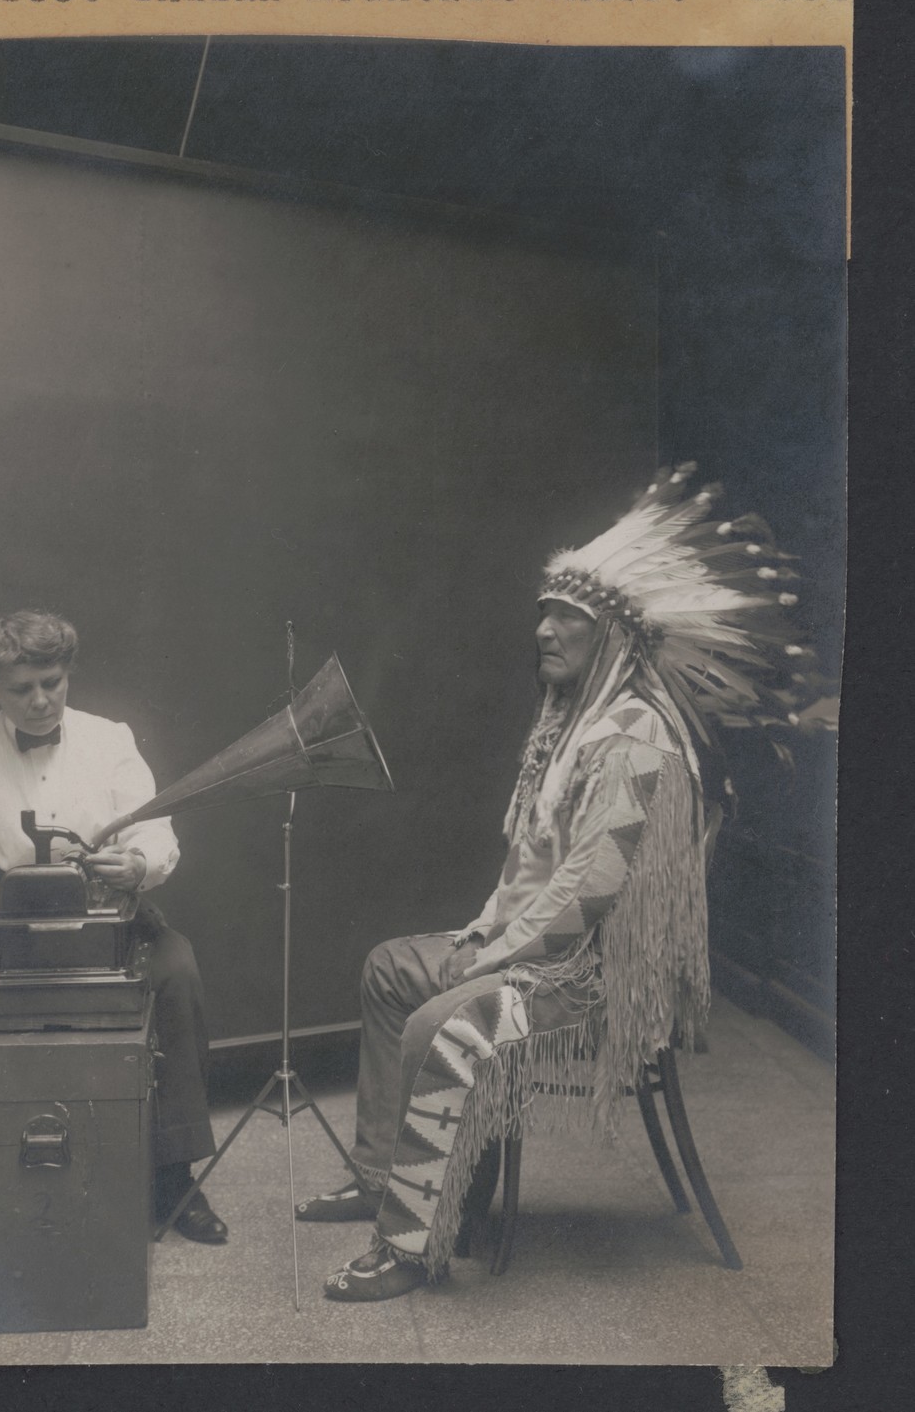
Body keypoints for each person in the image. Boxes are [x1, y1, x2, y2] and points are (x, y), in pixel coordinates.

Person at [298, 464, 825, 1301]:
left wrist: (489, 957)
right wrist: (484, 930)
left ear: (610, 637)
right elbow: (536, 860)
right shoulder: (574, 721)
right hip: (538, 952)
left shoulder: (635, 740)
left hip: (586, 982)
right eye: (544, 610)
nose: (543, 628)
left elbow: (589, 892)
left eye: (566, 616)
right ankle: (380, 1173)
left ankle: (409, 1242)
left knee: (446, 1015)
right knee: (393, 967)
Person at [0, 609, 228, 1245]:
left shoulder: (110, 739)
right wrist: (12, 921)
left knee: (176, 972)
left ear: (67, 675)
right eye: (21, 690)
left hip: (112, 911)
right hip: (11, 929)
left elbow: (155, 828)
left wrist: (138, 864)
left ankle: (173, 1174)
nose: (41, 702)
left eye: (53, 683)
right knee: (14, 1013)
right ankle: (44, 1179)